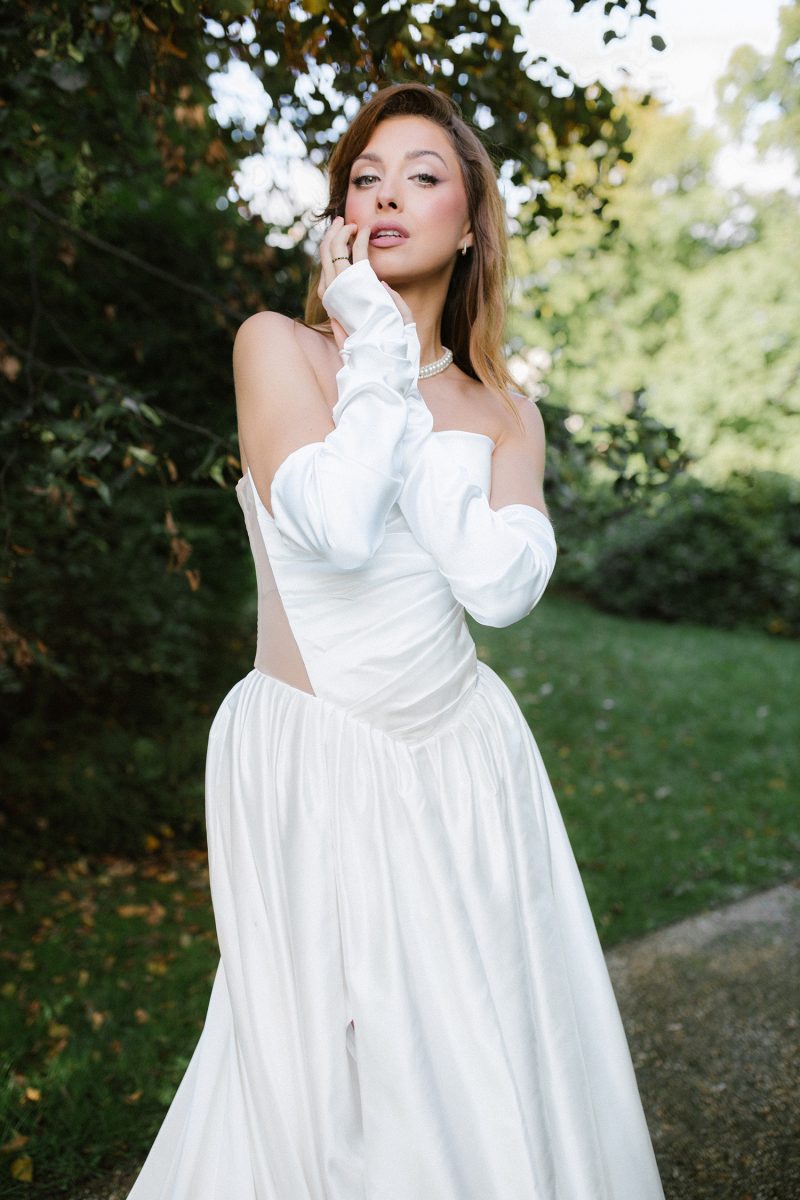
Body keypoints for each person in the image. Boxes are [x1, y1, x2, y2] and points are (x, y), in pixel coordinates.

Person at [126, 82, 665, 1199]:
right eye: (364, 177)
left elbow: (501, 590)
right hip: (313, 750)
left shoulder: (506, 410)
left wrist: (426, 393)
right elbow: (332, 522)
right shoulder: (278, 347)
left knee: (471, 1033)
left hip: (463, 759)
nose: (384, 195)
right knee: (321, 1063)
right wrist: (373, 337)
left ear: (468, 225)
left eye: (421, 176)